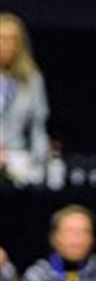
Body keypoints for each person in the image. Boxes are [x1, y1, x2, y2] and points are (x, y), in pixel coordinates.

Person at [0, 13, 51, 190]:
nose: (6, 45)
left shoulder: (32, 79)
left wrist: (39, 165)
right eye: (1, 39)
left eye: (11, 40)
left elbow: (38, 125)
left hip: (18, 157)